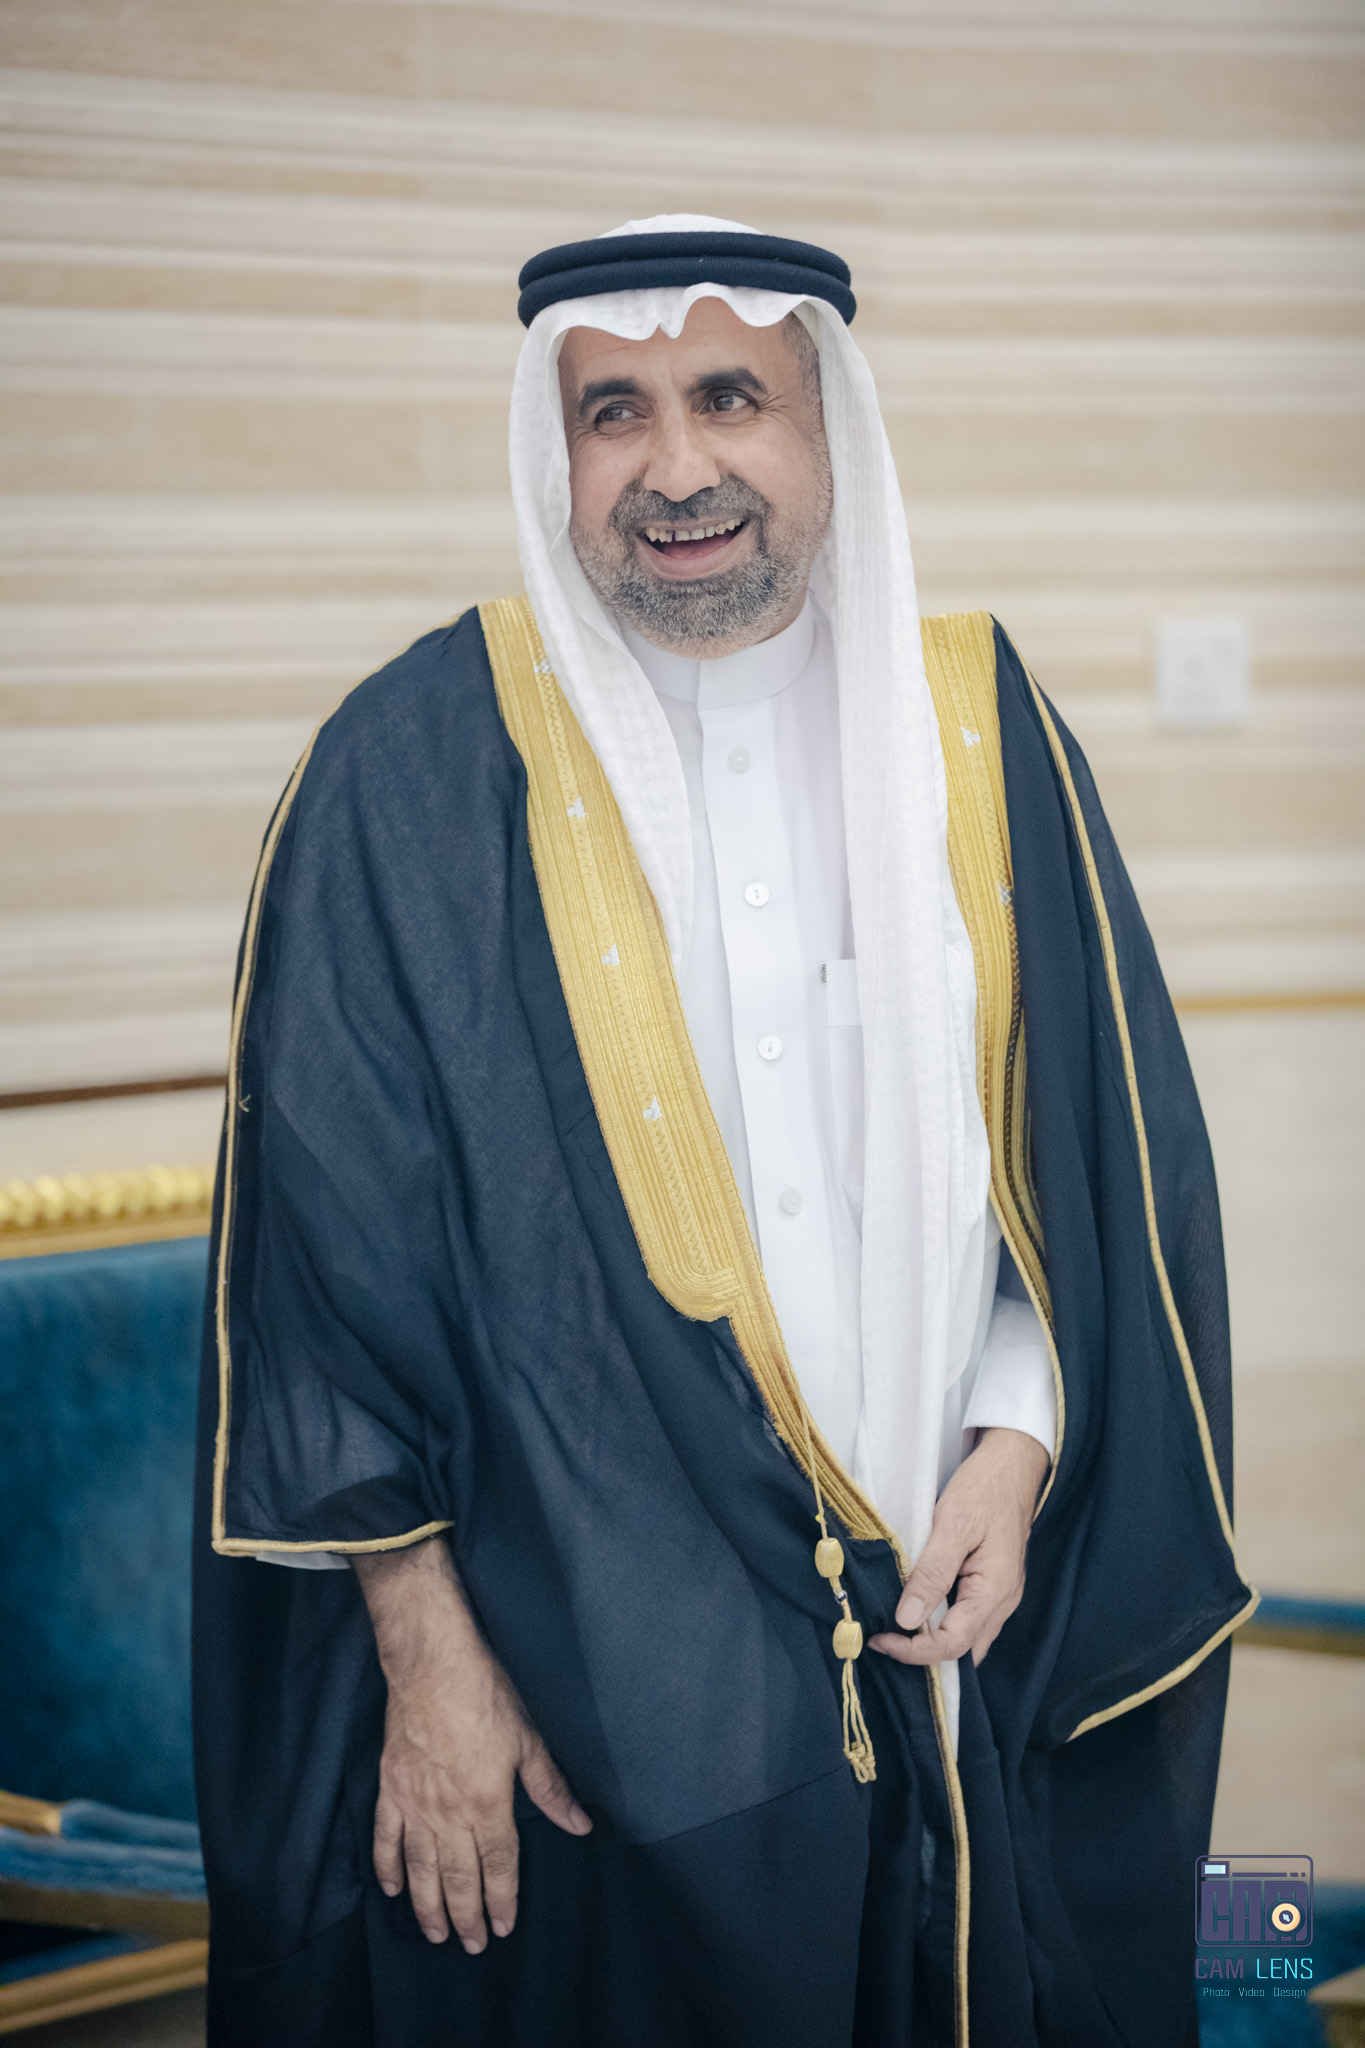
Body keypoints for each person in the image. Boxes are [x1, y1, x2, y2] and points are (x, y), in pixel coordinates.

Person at [192, 217, 1256, 2048]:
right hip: (581, 1691)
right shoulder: (408, 775)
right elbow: (321, 1286)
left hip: (943, 1633)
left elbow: (1096, 1177)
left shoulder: (983, 736)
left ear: (826, 423)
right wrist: (433, 1667)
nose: (675, 467)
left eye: (728, 397)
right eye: (613, 412)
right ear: (556, 450)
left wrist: (1015, 1446)